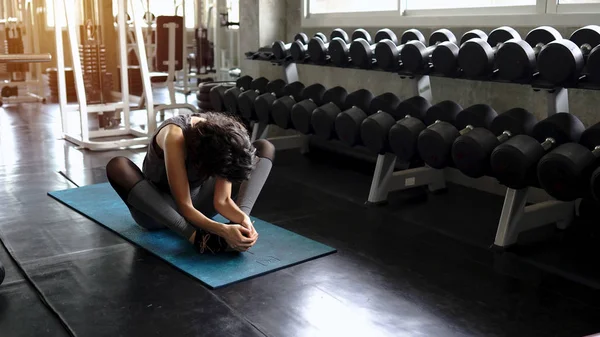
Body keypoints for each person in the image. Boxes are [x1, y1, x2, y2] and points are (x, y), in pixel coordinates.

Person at [105, 112, 275, 254]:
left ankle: (238, 230)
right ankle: (198, 238)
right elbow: (185, 206)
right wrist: (221, 230)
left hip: (199, 206)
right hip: (163, 212)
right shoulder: (175, 136)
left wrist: (243, 220)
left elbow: (222, 201)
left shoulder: (225, 141)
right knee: (118, 166)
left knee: (264, 147)